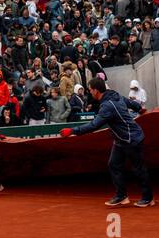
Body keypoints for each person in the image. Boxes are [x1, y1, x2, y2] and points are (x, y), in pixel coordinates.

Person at [60, 76, 153, 208]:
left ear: (96, 91)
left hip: (131, 139)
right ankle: (122, 196)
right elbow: (129, 102)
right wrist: (140, 109)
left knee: (138, 169)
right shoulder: (114, 95)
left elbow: (93, 125)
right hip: (121, 140)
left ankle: (148, 198)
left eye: (90, 90)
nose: (89, 92)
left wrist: (72, 131)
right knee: (114, 164)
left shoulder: (107, 106)